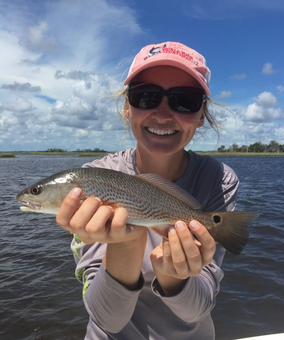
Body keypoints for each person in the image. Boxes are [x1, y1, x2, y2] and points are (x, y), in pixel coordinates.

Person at [56, 41, 239, 340]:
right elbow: (108, 320)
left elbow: (199, 307)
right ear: (127, 108)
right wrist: (126, 243)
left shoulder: (219, 179)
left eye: (185, 100)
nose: (163, 114)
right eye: (146, 96)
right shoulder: (90, 179)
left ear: (202, 114)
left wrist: (173, 275)